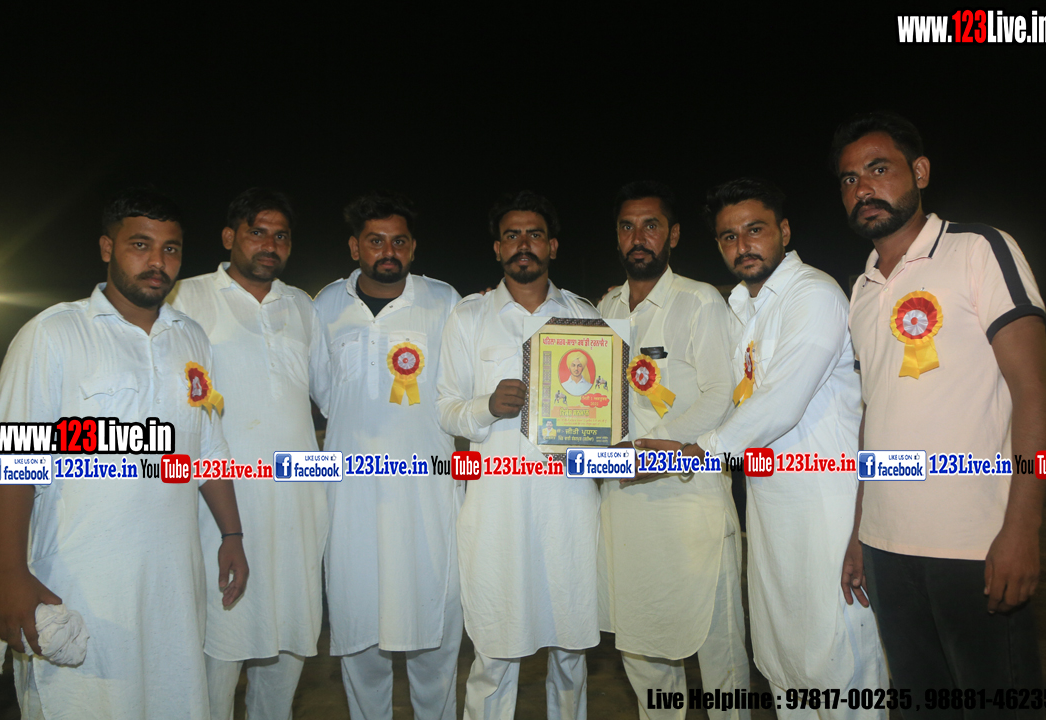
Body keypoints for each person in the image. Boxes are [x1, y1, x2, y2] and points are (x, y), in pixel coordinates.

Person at [0, 187, 248, 720]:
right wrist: (8, 572)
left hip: (173, 588)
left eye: (171, 249)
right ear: (107, 248)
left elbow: (208, 447)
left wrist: (232, 535)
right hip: (81, 585)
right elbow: (14, 459)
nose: (158, 262)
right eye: (140, 245)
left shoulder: (191, 338)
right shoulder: (53, 334)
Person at [640, 177, 887, 719]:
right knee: (784, 659)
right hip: (771, 511)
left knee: (840, 661)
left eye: (755, 230)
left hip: (828, 508)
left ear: (784, 232)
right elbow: (729, 397)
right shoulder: (742, 310)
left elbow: (780, 403)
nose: (742, 246)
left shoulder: (813, 295)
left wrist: (696, 451)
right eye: (728, 237)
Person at [833, 112, 1046, 712]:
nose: (863, 188)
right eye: (850, 179)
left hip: (976, 545)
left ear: (920, 172)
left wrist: (1022, 529)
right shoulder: (861, 291)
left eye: (879, 169)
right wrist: (861, 531)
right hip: (887, 551)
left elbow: (1034, 391)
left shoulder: (979, 248)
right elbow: (875, 413)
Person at [437, 190, 600, 720]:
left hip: (569, 506)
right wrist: (486, 407)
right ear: (497, 247)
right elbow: (445, 409)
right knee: (494, 650)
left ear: (552, 245)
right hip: (495, 507)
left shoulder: (583, 316)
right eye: (512, 235)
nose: (523, 244)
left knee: (571, 649)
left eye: (534, 234)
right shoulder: (469, 317)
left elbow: (608, 410)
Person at [168, 188, 328, 720]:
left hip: (296, 509)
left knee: (288, 647)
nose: (269, 244)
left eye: (281, 235)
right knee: (216, 656)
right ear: (228, 237)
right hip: (219, 509)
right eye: (257, 232)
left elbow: (330, 394)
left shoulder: (302, 305)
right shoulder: (186, 298)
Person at [597, 181, 748, 720]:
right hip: (626, 507)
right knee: (643, 651)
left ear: (674, 235)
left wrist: (652, 451)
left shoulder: (699, 300)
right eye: (627, 226)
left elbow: (721, 395)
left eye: (651, 225)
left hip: (690, 501)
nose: (638, 237)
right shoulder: (605, 308)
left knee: (720, 655)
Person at [312, 190, 463, 720]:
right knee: (360, 636)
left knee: (434, 638)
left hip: (427, 493)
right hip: (353, 498)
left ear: (413, 247)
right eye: (375, 241)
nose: (388, 251)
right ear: (355, 247)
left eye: (399, 241)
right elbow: (325, 394)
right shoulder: (326, 305)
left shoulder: (444, 300)